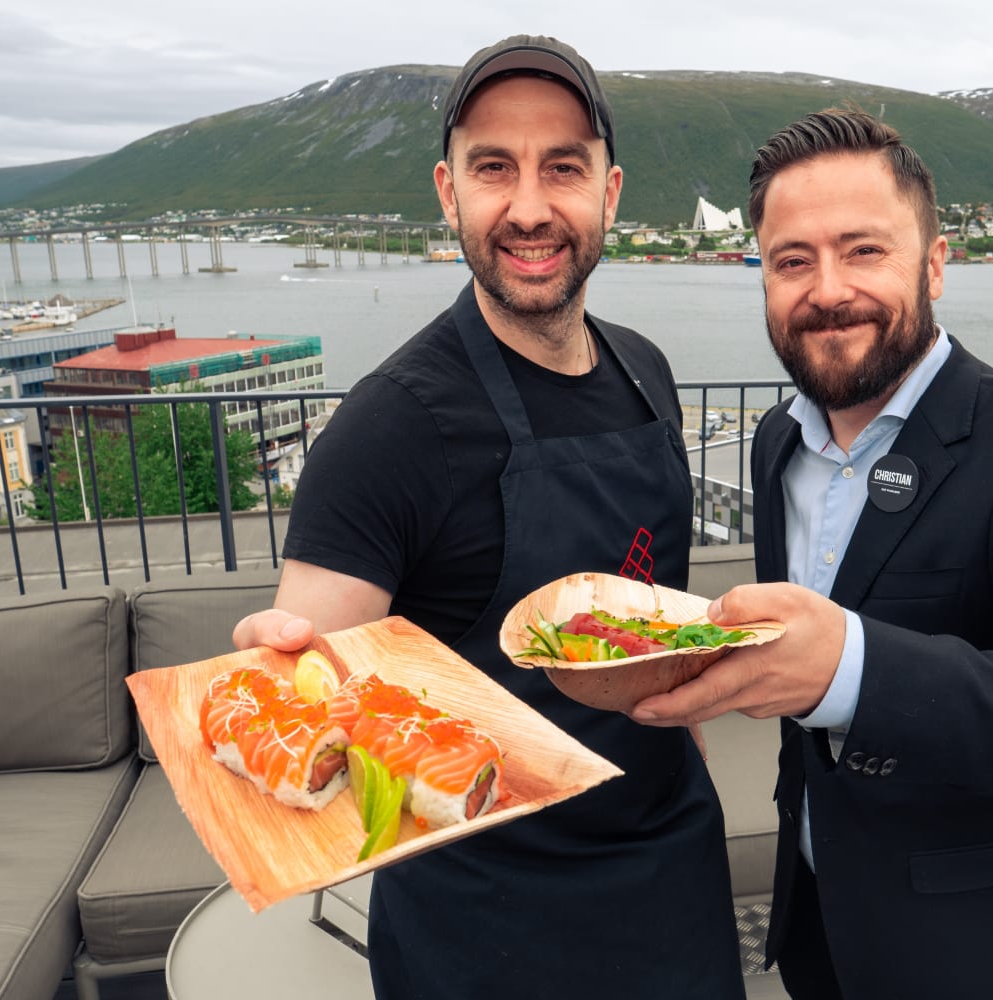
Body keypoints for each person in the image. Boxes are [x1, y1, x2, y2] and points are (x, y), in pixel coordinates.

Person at [233, 35, 744, 1000]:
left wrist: (697, 764)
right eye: (494, 167)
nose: (530, 207)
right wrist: (279, 680)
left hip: (669, 874)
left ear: (611, 193)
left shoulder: (646, 372)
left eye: (564, 167)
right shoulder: (389, 426)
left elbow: (655, 627)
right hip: (485, 918)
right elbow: (309, 693)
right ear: (448, 192)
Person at [632, 107, 993, 999]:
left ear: (935, 264)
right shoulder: (777, 443)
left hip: (990, 957)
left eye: (864, 251)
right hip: (819, 935)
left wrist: (851, 669)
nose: (828, 290)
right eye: (791, 261)